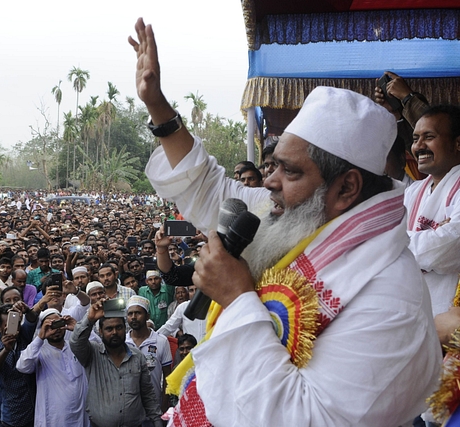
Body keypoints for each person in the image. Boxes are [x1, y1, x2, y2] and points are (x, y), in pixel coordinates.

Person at [130, 18, 440, 426]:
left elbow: (309, 417)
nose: (270, 182)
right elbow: (209, 187)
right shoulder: (295, 215)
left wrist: (239, 300)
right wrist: (156, 104)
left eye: (290, 172)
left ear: (346, 189)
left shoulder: (390, 298)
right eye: (272, 166)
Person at [69, 297, 162, 427]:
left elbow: (147, 392)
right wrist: (89, 319)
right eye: (109, 329)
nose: (114, 332)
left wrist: (157, 420)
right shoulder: (92, 353)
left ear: (125, 329)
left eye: (119, 327)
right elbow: (75, 342)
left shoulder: (137, 356)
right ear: (100, 331)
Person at [404, 105, 460, 317]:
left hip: (450, 322)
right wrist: (433, 236)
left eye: (428, 137)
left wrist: (399, 241)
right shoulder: (414, 190)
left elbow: (450, 248)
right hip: (412, 311)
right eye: (415, 138)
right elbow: (385, 236)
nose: (418, 146)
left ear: (458, 143)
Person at [16, 308, 88, 427]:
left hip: (80, 416)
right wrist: (40, 337)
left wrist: (78, 329)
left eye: (58, 323)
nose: (56, 330)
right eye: (50, 325)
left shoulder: (75, 347)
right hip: (53, 418)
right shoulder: (38, 351)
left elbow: (99, 347)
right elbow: (22, 366)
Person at [0, 303, 36, 427]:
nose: (13, 329)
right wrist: (5, 350)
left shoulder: (25, 337)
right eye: (8, 326)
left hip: (33, 410)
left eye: (16, 324)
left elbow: (32, 319)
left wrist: (27, 310)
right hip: (12, 413)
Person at [125, 296, 172, 413]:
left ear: (147, 316)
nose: (133, 317)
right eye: (130, 314)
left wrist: (164, 404)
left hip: (154, 408)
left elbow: (167, 376)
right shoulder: (123, 342)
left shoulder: (161, 341)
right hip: (129, 409)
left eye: (138, 313)